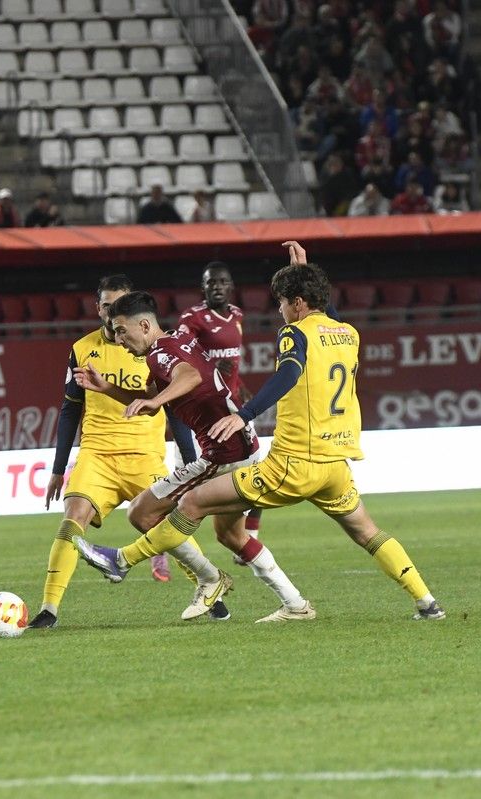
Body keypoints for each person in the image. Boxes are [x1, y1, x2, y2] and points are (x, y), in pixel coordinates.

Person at [77, 241, 445, 622]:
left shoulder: (294, 334)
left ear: (297, 303)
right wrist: (304, 271)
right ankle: (426, 603)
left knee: (192, 503)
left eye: (283, 302)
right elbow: (327, 316)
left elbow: (289, 373)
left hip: (292, 465)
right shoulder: (348, 333)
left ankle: (123, 559)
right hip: (336, 465)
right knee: (367, 533)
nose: (280, 310)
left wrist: (246, 413)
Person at [73, 291, 315, 621]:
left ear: (144, 326)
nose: (118, 340)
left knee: (142, 512)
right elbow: (150, 398)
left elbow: (189, 376)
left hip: (224, 453)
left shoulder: (161, 353)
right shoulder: (172, 344)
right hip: (240, 446)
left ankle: (196, 576)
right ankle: (295, 604)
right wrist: (108, 388)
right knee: (231, 535)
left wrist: (155, 402)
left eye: (121, 331)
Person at [31, 274, 202, 629]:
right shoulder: (82, 348)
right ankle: (48, 609)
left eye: (120, 306)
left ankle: (209, 588)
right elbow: (70, 409)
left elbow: (174, 409)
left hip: (145, 456)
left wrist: (190, 463)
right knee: (72, 518)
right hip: (97, 456)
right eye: (108, 307)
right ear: (98, 308)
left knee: (167, 524)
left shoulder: (151, 349)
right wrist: (58, 469)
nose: (113, 315)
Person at [175, 262, 265, 550]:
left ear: (231, 286)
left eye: (222, 281)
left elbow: (232, 363)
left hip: (233, 408)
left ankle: (252, 534)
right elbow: (179, 357)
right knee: (182, 485)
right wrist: (211, 366)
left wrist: (240, 385)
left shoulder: (237, 315)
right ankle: (168, 547)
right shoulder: (192, 318)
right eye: (211, 282)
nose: (217, 286)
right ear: (202, 287)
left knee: (258, 472)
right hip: (201, 411)